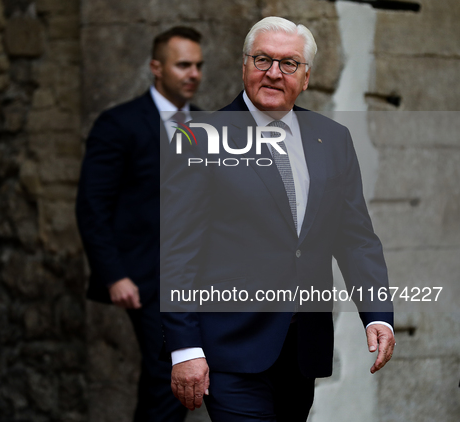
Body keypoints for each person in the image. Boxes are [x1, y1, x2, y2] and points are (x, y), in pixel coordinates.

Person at [159, 17, 396, 422]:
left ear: (305, 78)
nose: (273, 72)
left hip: (302, 350)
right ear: (244, 66)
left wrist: (378, 314)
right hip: (229, 350)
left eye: (288, 64)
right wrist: (184, 348)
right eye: (263, 59)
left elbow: (355, 237)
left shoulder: (333, 139)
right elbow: (176, 251)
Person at [76, 27, 204, 422]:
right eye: (183, 64)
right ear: (156, 67)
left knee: (181, 375)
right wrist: (114, 275)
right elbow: (91, 206)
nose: (194, 73)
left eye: (199, 65)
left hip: (200, 279)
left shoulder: (206, 125)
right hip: (146, 279)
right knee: (170, 371)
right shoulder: (120, 124)